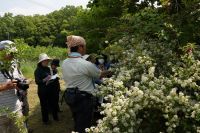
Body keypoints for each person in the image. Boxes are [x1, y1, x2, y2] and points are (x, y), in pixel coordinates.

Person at [62, 35, 111, 133]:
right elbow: (99, 74)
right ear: (80, 47)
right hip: (83, 98)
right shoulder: (85, 64)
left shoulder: (65, 62)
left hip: (70, 95)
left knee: (77, 120)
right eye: (84, 46)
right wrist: (111, 71)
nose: (85, 48)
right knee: (84, 125)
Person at [0, 40, 25, 133]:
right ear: (1, 51)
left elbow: (18, 80)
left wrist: (20, 86)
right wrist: (4, 87)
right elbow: (7, 86)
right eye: (10, 52)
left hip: (16, 109)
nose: (13, 55)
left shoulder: (14, 65)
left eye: (14, 53)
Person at [34, 53, 59, 125]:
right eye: (45, 61)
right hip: (43, 91)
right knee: (44, 106)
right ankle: (45, 120)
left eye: (48, 60)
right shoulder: (37, 70)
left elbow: (51, 77)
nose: (47, 62)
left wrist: (52, 78)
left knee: (53, 103)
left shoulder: (48, 68)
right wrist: (44, 80)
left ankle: (55, 117)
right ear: (41, 62)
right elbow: (37, 81)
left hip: (51, 89)